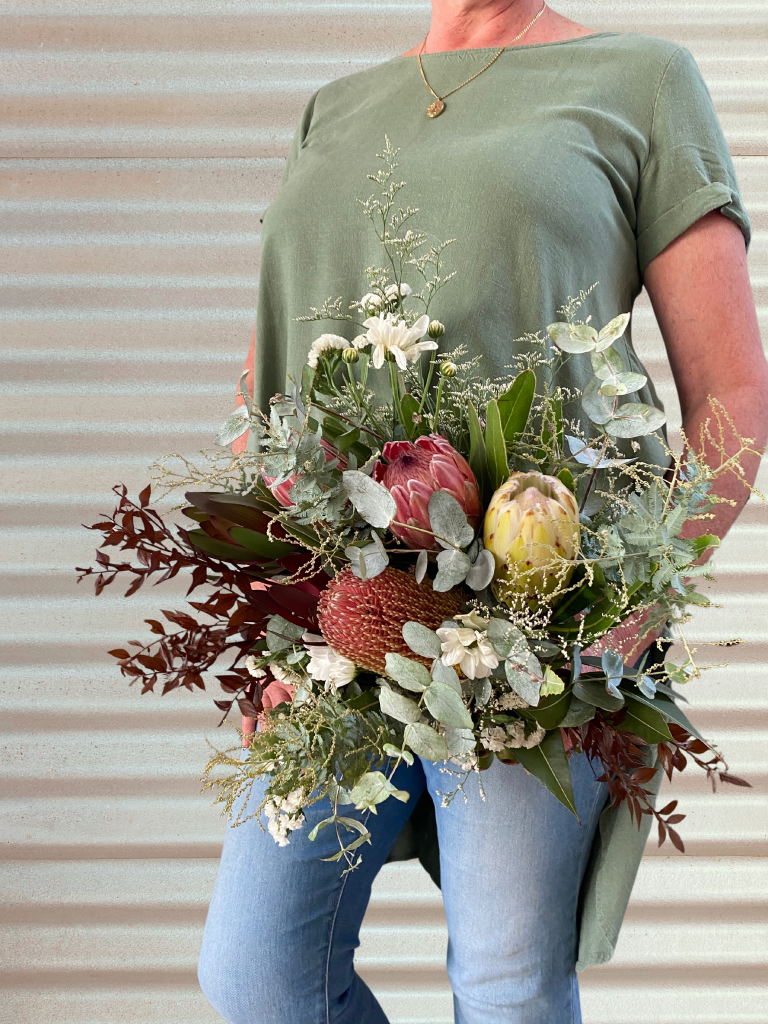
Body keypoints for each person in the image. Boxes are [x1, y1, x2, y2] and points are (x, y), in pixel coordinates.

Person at [197, 2, 768, 1022]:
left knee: (507, 989)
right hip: (345, 608)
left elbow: (731, 391)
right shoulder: (334, 109)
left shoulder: (644, 80)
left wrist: (638, 589)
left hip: (533, 622)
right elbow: (265, 385)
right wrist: (270, 617)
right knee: (257, 975)